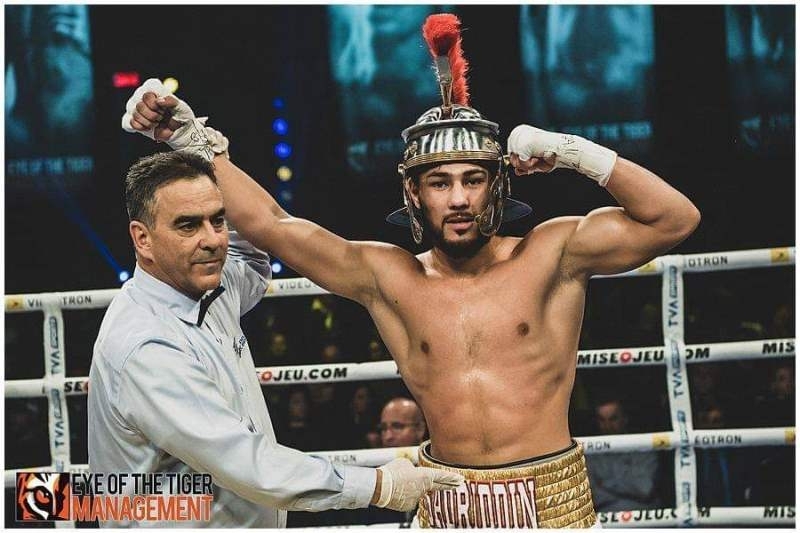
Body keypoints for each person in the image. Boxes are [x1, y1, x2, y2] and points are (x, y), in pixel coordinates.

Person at [123, 13, 699, 529]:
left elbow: (674, 219)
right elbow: (274, 226)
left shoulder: (552, 254)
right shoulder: (390, 277)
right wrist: (189, 140)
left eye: (473, 180)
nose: (459, 199)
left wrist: (573, 152)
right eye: (440, 182)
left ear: (496, 186)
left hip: (550, 498)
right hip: (445, 499)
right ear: (415, 194)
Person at [87, 151, 462, 527]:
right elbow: (249, 467)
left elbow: (255, 250)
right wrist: (379, 486)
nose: (212, 240)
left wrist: (198, 147)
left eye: (217, 220)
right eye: (188, 226)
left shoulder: (206, 286)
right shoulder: (147, 346)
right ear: (143, 239)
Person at [586, 398, 663, 512]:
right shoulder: (590, 452)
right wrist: (628, 486)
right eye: (602, 420)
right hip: (605, 517)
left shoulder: (643, 448)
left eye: (613, 419)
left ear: (624, 419)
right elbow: (592, 498)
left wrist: (604, 483)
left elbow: (644, 489)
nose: (607, 426)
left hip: (642, 516)